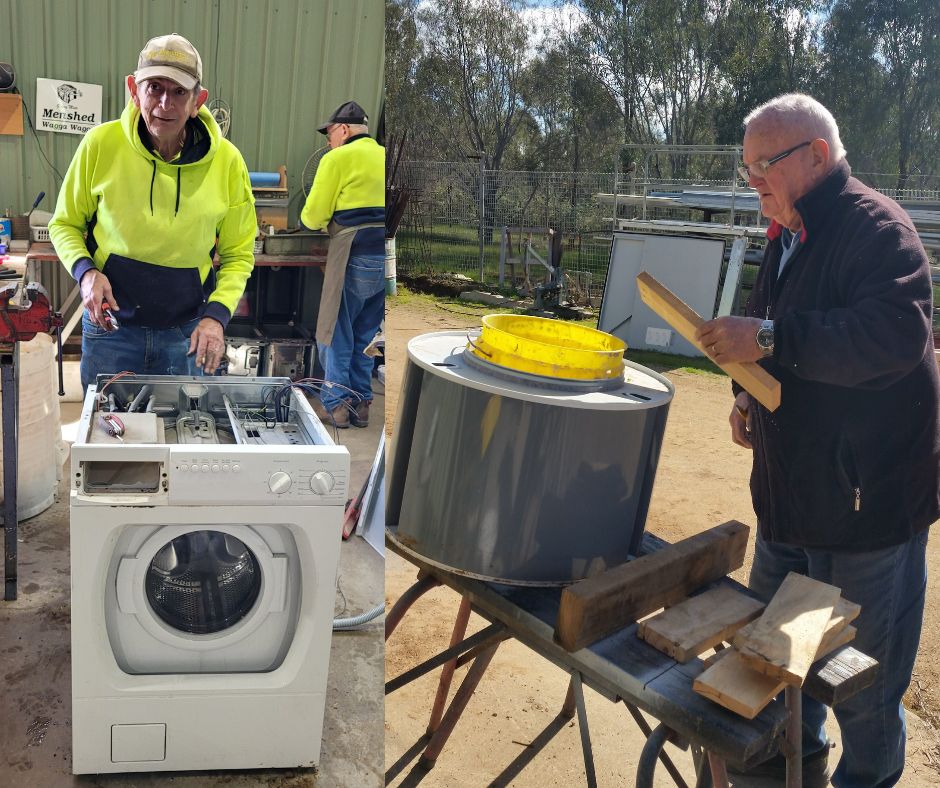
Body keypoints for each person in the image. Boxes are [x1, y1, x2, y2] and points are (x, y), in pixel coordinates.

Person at [695, 93, 939, 786]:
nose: (753, 184)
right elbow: (759, 324)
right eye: (747, 171)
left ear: (817, 157)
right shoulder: (789, 236)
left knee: (859, 691)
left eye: (762, 166)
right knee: (773, 669)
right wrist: (745, 388)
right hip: (788, 505)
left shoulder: (878, 231)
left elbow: (892, 339)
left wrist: (769, 338)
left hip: (866, 516)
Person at [49, 33, 256, 388]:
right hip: (110, 329)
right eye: (154, 87)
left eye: (179, 92)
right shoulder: (100, 145)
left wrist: (217, 317)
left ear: (197, 101)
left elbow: (239, 254)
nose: (165, 103)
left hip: (185, 335)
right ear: (133, 89)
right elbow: (64, 224)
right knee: (105, 434)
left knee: (181, 434)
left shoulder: (228, 163)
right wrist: (86, 274)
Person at [300, 100, 384, 428]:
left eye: (330, 134)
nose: (328, 141)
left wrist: (320, 218)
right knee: (366, 335)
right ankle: (361, 405)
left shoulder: (337, 158)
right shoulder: (385, 155)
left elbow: (312, 216)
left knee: (335, 332)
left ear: (345, 130)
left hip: (354, 251)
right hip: (386, 257)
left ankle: (335, 406)